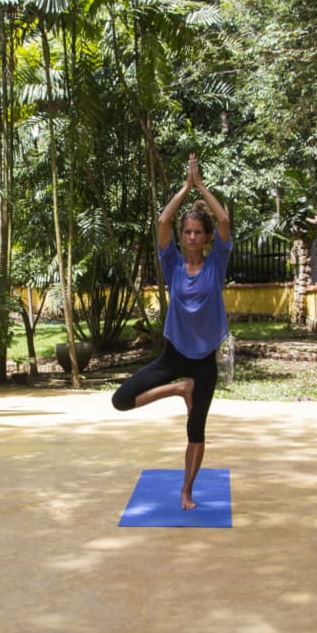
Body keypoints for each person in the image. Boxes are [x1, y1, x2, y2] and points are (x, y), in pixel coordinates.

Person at [112, 153, 231, 510]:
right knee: (121, 400)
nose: (192, 237)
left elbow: (223, 218)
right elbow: (163, 219)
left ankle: (187, 491)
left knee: (197, 430)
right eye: (187, 232)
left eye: (198, 232)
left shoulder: (216, 264)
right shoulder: (172, 264)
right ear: (181, 237)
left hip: (204, 360)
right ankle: (178, 388)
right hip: (173, 354)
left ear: (207, 238)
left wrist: (202, 187)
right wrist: (185, 186)